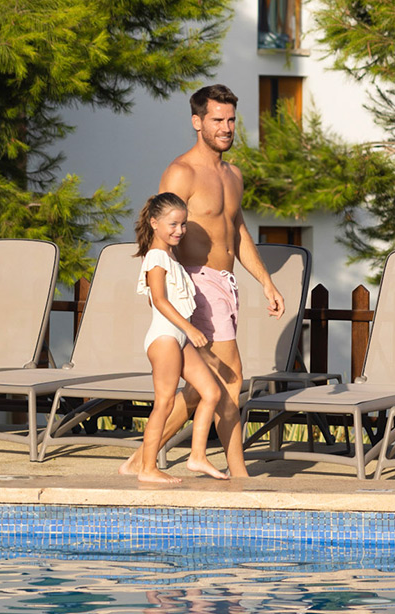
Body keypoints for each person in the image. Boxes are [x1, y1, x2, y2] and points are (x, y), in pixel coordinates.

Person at [120, 84, 285, 478]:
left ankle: (140, 460)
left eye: (231, 120)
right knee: (231, 378)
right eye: (217, 120)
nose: (226, 127)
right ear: (197, 122)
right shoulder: (182, 172)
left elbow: (237, 232)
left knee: (200, 389)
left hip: (225, 284)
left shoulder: (233, 175)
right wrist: (169, 295)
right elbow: (161, 229)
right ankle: (239, 474)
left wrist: (266, 281)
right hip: (196, 285)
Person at [134, 192, 228, 483]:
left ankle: (197, 456)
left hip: (177, 337)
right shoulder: (156, 256)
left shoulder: (169, 256)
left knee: (210, 392)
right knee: (163, 403)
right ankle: (147, 468)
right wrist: (189, 329)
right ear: (154, 223)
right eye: (173, 224)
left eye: (183, 224)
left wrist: (186, 333)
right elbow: (158, 300)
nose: (179, 230)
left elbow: (158, 299)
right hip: (165, 337)